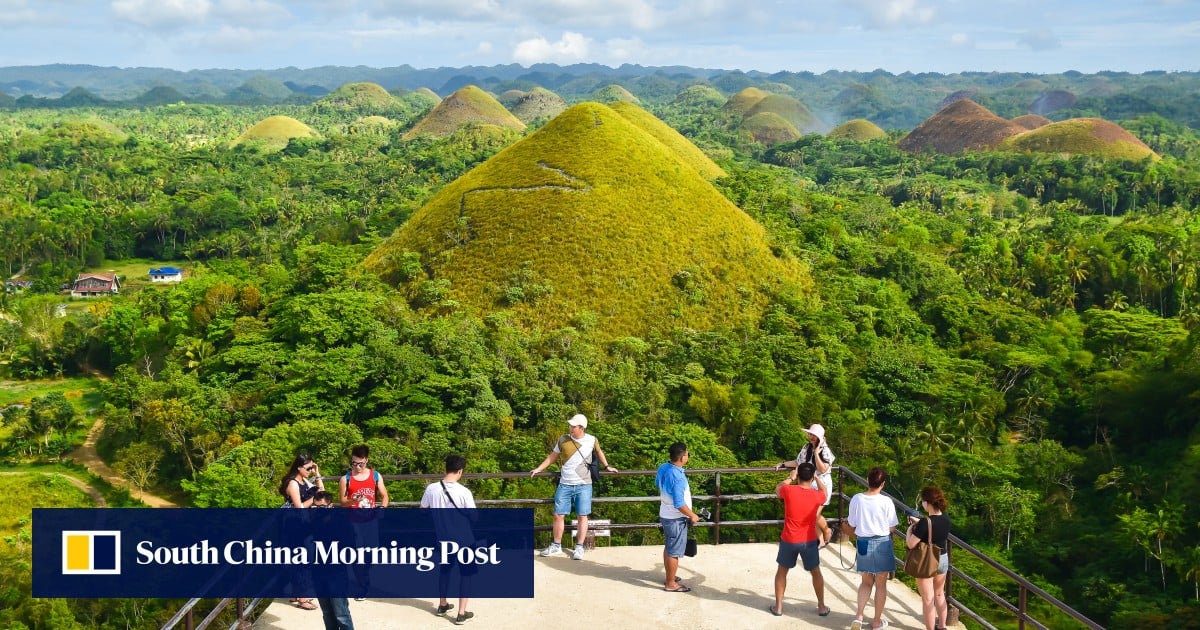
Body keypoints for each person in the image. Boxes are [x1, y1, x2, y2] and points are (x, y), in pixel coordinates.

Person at [529, 413, 618, 561]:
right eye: (570, 425)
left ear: (581, 428)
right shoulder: (563, 439)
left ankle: (579, 547)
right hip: (565, 483)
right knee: (558, 515)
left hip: (584, 484)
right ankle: (556, 545)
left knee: (582, 516)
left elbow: (599, 451)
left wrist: (607, 466)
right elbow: (553, 456)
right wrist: (539, 468)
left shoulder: (591, 440)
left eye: (573, 426)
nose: (570, 428)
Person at [421, 454, 477, 626]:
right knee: (465, 575)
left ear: (446, 468)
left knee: (445, 572)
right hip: (464, 540)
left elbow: (423, 510)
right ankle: (461, 613)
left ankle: (443, 604)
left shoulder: (431, 489)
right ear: (460, 471)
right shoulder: (464, 492)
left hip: (442, 538)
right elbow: (474, 517)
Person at [770, 463, 832, 617]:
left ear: (797, 476)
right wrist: (817, 477)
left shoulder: (789, 490)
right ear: (811, 478)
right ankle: (822, 607)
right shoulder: (816, 495)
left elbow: (778, 489)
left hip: (789, 539)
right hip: (809, 540)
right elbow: (825, 492)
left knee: (782, 572)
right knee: (816, 573)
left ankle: (778, 607)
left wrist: (789, 478)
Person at [846, 466, 899, 630]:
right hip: (882, 543)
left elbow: (852, 524)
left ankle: (859, 616)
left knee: (866, 582)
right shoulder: (886, 501)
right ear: (882, 484)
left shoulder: (857, 498)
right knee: (881, 585)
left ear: (868, 480)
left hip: (863, 542)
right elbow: (892, 527)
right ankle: (876, 621)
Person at [338, 445, 389, 599]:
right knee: (358, 556)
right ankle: (363, 586)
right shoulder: (345, 479)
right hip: (353, 523)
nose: (358, 467)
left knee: (372, 553)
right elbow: (342, 502)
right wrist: (352, 500)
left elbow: (384, 496)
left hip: (371, 521)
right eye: (354, 463)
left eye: (361, 464)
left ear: (367, 460)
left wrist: (383, 508)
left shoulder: (375, 476)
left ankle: (364, 576)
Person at [279, 452, 323, 610]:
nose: (310, 470)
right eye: (308, 468)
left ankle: (295, 593)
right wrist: (314, 500)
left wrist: (317, 474)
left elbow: (321, 492)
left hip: (303, 525)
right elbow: (299, 507)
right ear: (299, 467)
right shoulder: (293, 483)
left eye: (312, 467)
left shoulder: (303, 480)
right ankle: (303, 598)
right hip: (294, 525)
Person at [655, 441, 699, 592]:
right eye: (687, 454)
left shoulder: (663, 467)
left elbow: (658, 484)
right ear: (682, 458)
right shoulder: (678, 477)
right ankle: (670, 583)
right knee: (674, 552)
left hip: (665, 514)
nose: (688, 456)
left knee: (669, 546)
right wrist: (692, 515)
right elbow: (679, 503)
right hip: (676, 519)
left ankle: (670, 576)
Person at [906, 486, 951, 630]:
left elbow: (911, 543)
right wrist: (918, 522)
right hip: (943, 558)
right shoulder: (945, 517)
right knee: (939, 594)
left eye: (923, 501)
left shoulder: (925, 522)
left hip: (928, 561)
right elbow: (933, 526)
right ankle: (942, 626)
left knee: (927, 599)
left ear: (928, 503)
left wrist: (909, 531)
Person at [311, 491, 355, 630]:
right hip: (318, 571)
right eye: (315, 507)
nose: (318, 510)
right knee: (327, 613)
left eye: (322, 507)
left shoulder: (342, 522)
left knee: (341, 613)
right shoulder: (311, 522)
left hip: (336, 573)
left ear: (330, 506)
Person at [775, 423, 835, 505]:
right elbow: (798, 462)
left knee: (815, 513)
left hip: (821, 484)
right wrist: (783, 464)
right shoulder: (807, 447)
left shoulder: (825, 450)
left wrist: (816, 454)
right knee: (812, 513)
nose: (811, 437)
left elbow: (823, 469)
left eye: (814, 435)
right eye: (810, 434)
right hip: (808, 484)